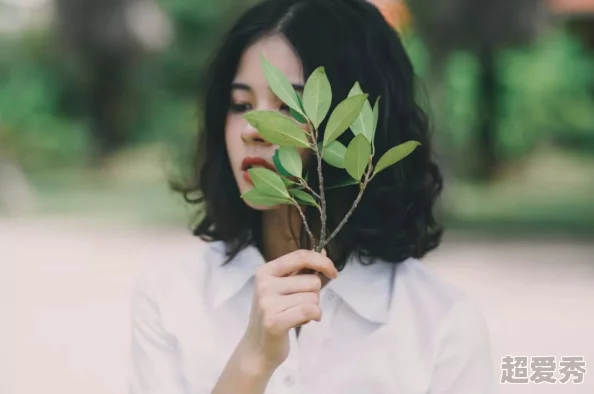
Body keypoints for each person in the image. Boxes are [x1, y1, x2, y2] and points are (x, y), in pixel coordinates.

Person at [128, 0, 495, 393]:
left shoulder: (440, 322)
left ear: (358, 126)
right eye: (241, 105)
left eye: (290, 105)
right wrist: (252, 363)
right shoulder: (172, 300)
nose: (254, 128)